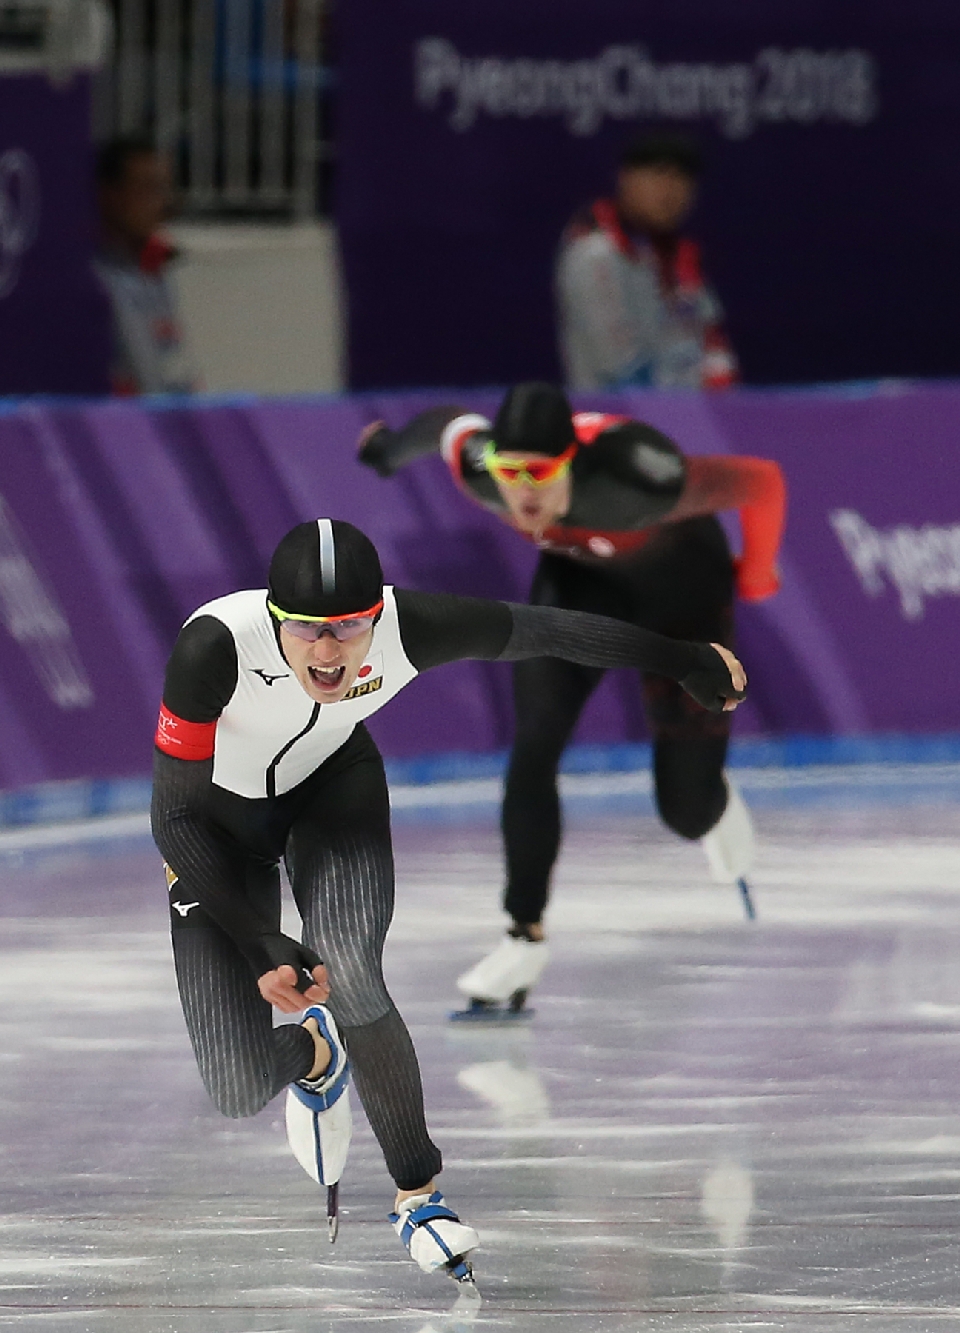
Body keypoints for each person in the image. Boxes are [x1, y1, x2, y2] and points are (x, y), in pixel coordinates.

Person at [151, 517, 746, 1285]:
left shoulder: (410, 628)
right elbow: (173, 817)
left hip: (333, 795)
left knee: (353, 968)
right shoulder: (215, 648)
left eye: (350, 627)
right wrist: (255, 934)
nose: (329, 652)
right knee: (234, 1087)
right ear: (275, 618)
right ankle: (317, 1054)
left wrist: (683, 660)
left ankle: (417, 1192)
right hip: (214, 827)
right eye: (308, 631)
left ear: (379, 614)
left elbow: (548, 629)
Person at [358, 383, 784, 1014]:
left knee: (684, 810)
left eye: (540, 474)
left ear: (573, 464)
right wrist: (392, 451)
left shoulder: (638, 477)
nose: (522, 494)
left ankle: (712, 804)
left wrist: (756, 571)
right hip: (581, 582)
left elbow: (761, 480)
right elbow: (448, 425)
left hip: (680, 585)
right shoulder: (480, 470)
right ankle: (521, 935)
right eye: (510, 472)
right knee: (534, 742)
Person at [556, 132, 737, 391]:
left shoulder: (679, 257)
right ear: (625, 179)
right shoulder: (595, 251)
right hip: (616, 420)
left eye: (682, 178)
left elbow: (713, 345)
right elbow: (621, 366)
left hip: (690, 419)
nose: (671, 190)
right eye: (658, 174)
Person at [93, 135, 197, 395]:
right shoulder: (92, 278)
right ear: (111, 194)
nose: (161, 203)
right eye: (148, 188)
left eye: (165, 188)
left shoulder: (155, 268)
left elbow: (171, 359)